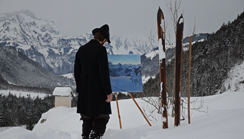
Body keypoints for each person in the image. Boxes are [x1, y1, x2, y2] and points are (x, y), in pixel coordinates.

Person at [74, 24, 113, 139]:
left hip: (84, 91)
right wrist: (108, 92)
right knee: (103, 116)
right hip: (98, 91)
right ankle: (95, 136)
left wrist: (80, 89)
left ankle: (86, 136)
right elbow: (103, 73)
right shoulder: (101, 50)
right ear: (104, 39)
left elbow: (77, 72)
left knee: (87, 118)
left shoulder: (81, 49)